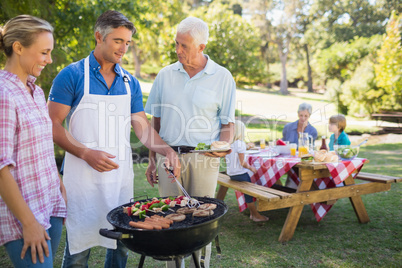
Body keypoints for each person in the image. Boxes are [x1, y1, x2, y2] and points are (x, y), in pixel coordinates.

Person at [47, 10, 180, 268]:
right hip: (82, 179)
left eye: (127, 42)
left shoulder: (130, 82)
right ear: (99, 36)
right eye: (118, 40)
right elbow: (51, 124)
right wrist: (86, 153)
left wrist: (167, 150)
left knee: (121, 244)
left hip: (119, 178)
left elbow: (141, 127)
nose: (124, 48)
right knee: (79, 250)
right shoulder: (72, 75)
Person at [144, 17, 236, 268]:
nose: (178, 50)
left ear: (201, 47)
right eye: (176, 43)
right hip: (168, 156)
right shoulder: (164, 75)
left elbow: (228, 123)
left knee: (202, 219)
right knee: (171, 218)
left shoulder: (223, 77)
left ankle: (201, 265)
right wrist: (152, 160)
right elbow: (155, 123)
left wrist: (222, 147)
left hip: (204, 159)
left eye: (184, 45)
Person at [0, 15, 67, 267]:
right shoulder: (3, 94)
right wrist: (28, 223)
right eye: (44, 52)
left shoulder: (36, 91)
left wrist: (58, 182)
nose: (49, 60)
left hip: (50, 201)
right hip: (24, 216)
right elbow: (0, 166)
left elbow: (39, 145)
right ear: (18, 48)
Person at [225, 121, 269, 222]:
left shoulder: (229, 144)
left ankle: (253, 213)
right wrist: (251, 168)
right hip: (240, 175)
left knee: (248, 189)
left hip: (232, 174)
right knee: (249, 193)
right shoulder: (240, 144)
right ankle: (255, 215)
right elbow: (242, 163)